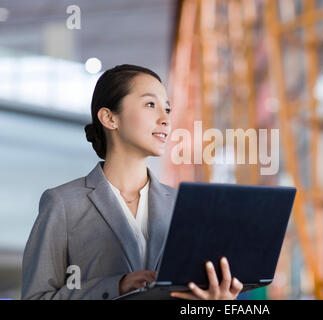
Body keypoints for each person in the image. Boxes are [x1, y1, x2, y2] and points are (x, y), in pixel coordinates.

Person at [21, 64, 243, 300]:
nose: (165, 119)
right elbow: (36, 297)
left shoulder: (183, 205)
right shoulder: (63, 204)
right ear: (109, 118)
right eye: (150, 105)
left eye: (167, 109)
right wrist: (116, 286)